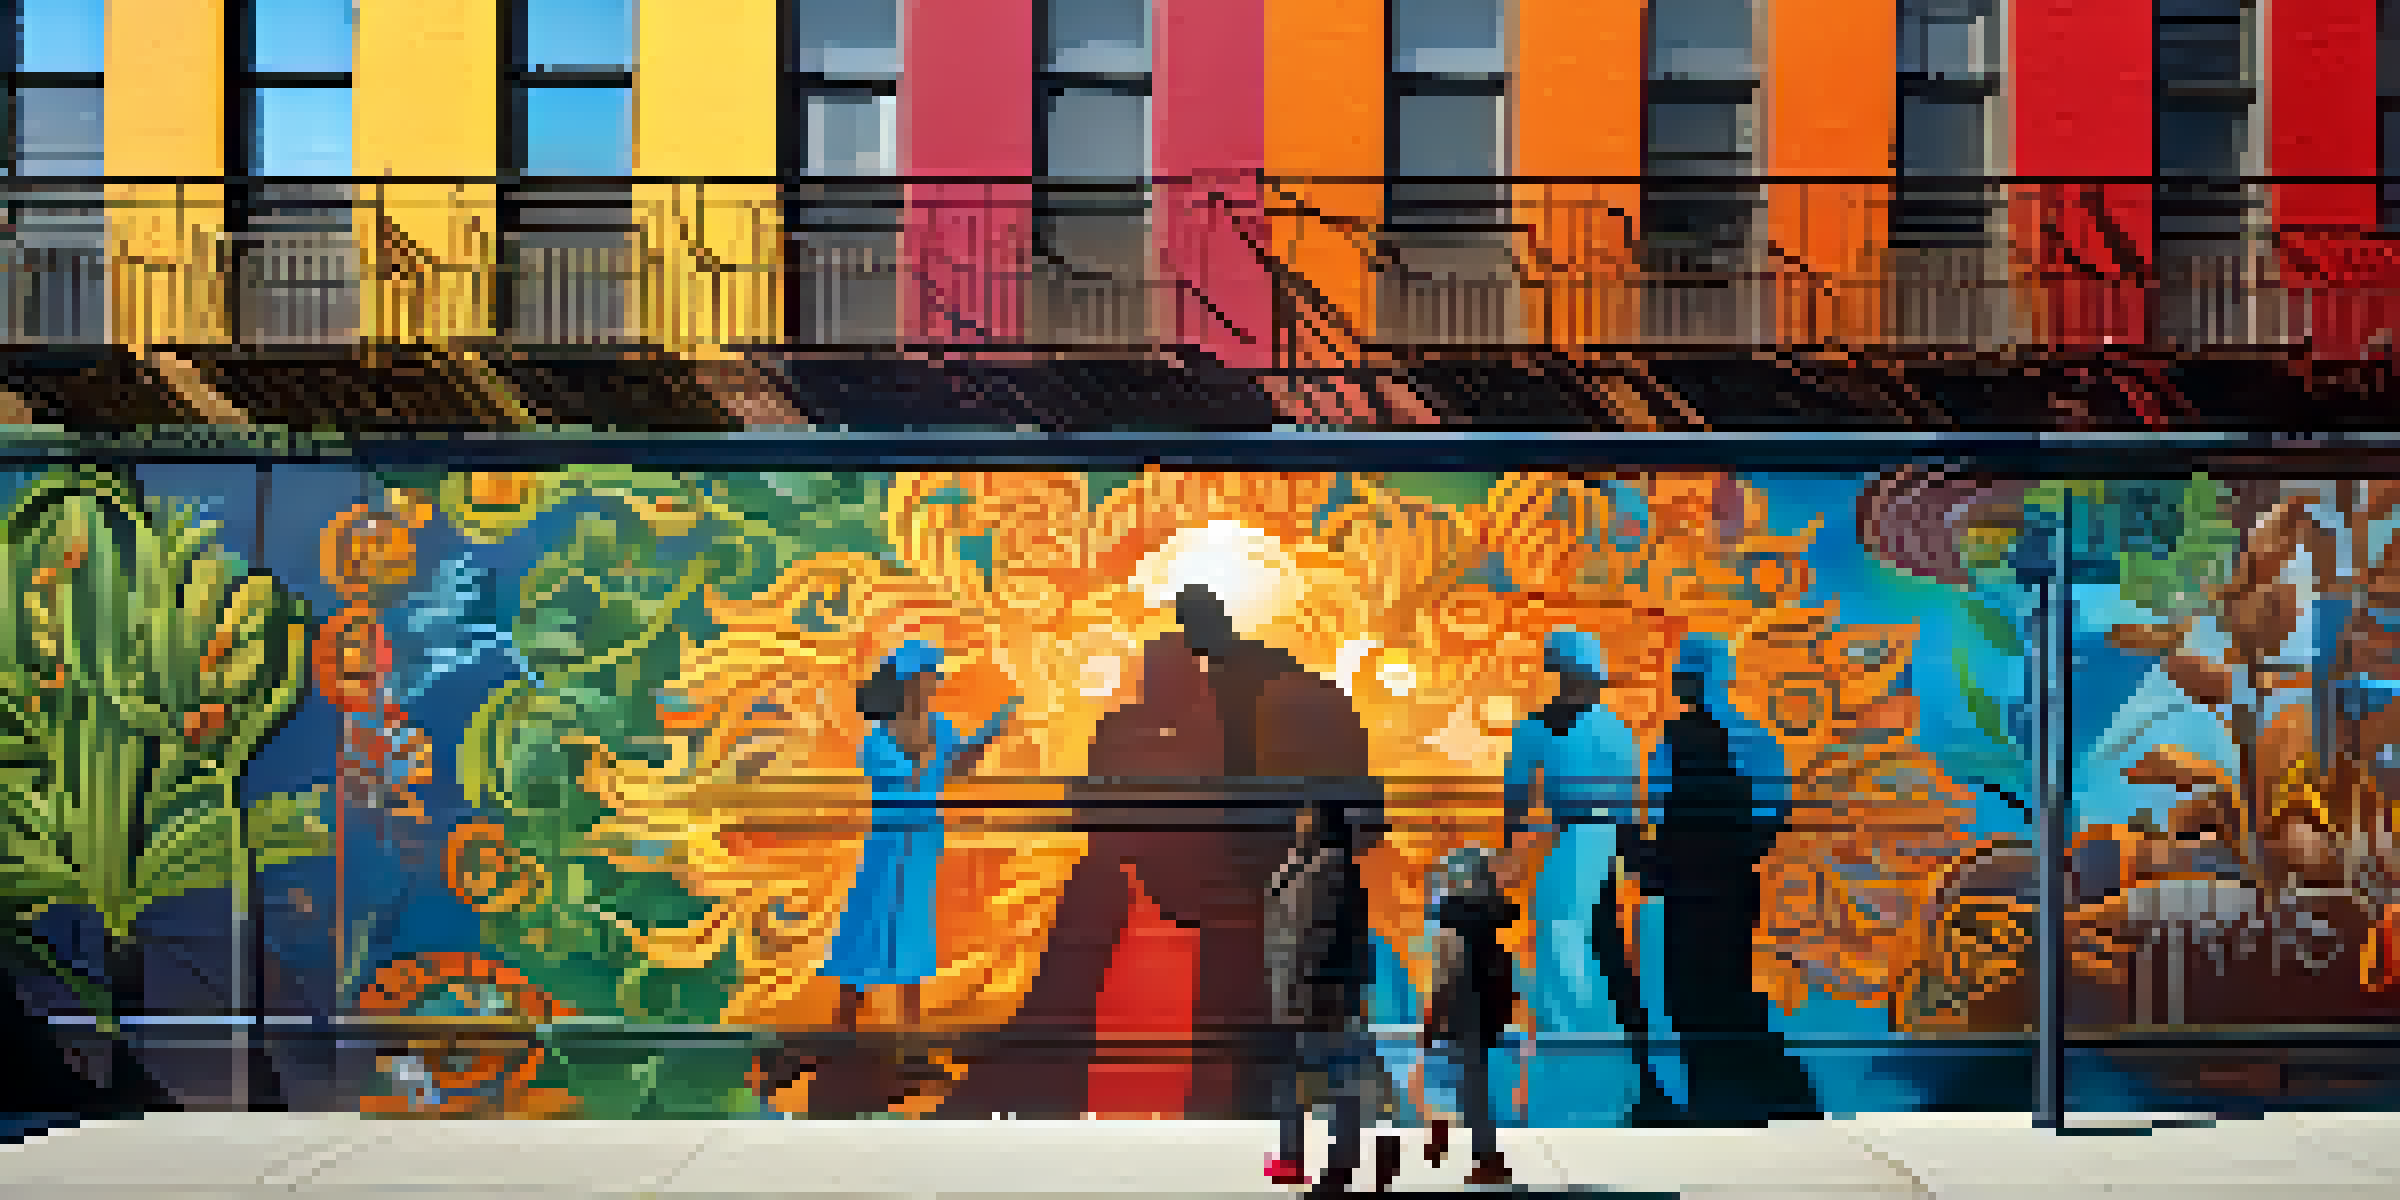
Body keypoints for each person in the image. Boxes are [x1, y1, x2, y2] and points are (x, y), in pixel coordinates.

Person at [1630, 632, 1820, 1126]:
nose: (1677, 683)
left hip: (1688, 881)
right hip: (1731, 879)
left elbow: (1652, 804)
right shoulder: (1757, 738)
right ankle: (1745, 1091)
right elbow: (1776, 811)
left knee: (1689, 988)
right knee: (1726, 979)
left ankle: (1716, 1092)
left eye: (1684, 674)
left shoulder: (1674, 740)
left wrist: (1650, 858)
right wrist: (1740, 853)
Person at [818, 640, 1020, 1100]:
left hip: (923, 844)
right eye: (931, 673)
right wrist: (943, 751)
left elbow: (957, 771)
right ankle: (842, 1038)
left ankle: (910, 1052)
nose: (937, 680)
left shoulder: (938, 728)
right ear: (911, 680)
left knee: (911, 941)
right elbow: (914, 777)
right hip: (888, 844)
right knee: (867, 933)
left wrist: (988, 735)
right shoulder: (878, 740)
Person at [1500, 629, 1672, 1124]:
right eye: (1579, 679)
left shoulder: (1608, 731)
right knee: (1578, 948)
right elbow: (1517, 798)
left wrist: (1631, 853)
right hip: (1572, 849)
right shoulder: (1552, 729)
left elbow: (1631, 806)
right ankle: (1596, 1070)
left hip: (1593, 851)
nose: (1585, 688)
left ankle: (1620, 1074)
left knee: (1598, 953)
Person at [1264, 776, 1383, 1195]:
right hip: (1297, 995)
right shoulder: (1299, 869)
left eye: (1307, 817)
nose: (1300, 824)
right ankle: (1294, 1160)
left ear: (1323, 823)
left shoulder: (1333, 872)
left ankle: (1337, 1167)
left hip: (1324, 998)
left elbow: (1323, 939)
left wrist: (1325, 992)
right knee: (1302, 1083)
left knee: (1337, 1084)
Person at [1416, 845, 1519, 1186]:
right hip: (1484, 1013)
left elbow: (1445, 976)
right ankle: (1469, 1147)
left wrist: (1431, 1020)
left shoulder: (1452, 924)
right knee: (1473, 1084)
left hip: (1460, 1015)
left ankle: (1483, 1156)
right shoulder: (1489, 922)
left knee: (1464, 1085)